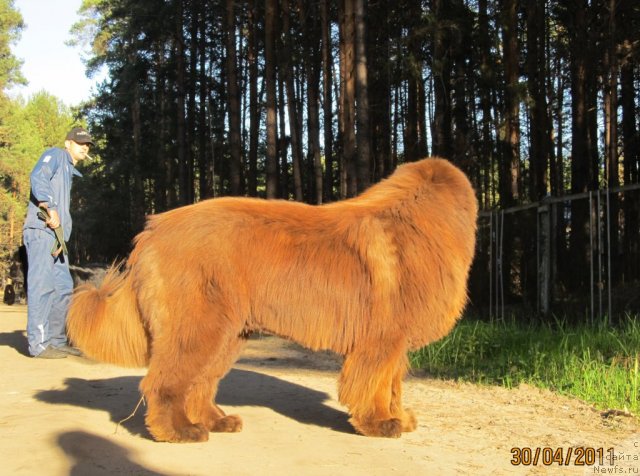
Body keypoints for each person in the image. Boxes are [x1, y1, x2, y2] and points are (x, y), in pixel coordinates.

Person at [22, 126, 94, 358]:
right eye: (80, 142)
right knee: (42, 286)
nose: (85, 146)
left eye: (88, 144)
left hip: (56, 239)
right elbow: (38, 175)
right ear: (68, 144)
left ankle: (56, 340)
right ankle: (39, 344)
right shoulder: (55, 155)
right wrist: (48, 206)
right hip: (42, 230)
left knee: (63, 288)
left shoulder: (68, 170)